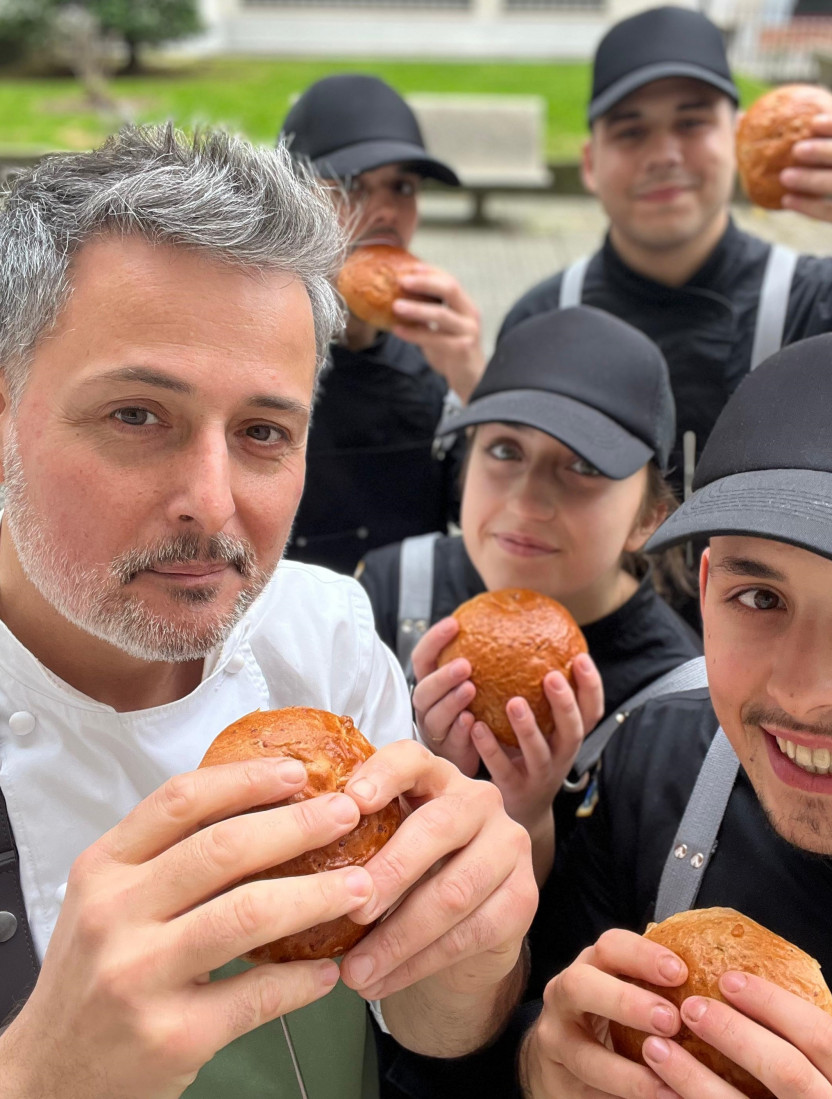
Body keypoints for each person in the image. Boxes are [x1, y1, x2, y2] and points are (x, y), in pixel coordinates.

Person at [0, 124, 537, 1099]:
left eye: (262, 431)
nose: (214, 503)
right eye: (137, 414)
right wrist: (41, 1074)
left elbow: (426, 1019)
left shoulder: (326, 638)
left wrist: (476, 956)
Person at [380, 329, 832, 1099]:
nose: (804, 690)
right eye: (760, 597)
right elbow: (494, 1039)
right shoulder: (657, 769)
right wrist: (534, 1064)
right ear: (707, 581)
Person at [499, 5, 832, 503]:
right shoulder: (544, 321)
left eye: (691, 123)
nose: (665, 154)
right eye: (631, 131)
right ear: (589, 163)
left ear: (737, 139)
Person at [359, 306, 701, 882]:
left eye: (583, 465)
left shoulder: (682, 708)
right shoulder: (390, 589)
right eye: (505, 451)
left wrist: (528, 813)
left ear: (650, 520)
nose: (527, 502)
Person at [278, 73, 485, 574]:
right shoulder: (245, 351)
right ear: (290, 197)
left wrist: (480, 388)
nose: (386, 212)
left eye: (403, 187)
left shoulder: (436, 360)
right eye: (351, 187)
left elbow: (487, 523)